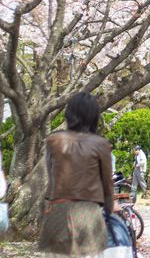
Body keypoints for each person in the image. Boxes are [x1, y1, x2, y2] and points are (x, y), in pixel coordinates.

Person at [38, 92, 115, 257]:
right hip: (88, 214)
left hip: (57, 211)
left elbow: (51, 176)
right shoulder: (100, 144)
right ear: (94, 116)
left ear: (69, 113)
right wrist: (109, 209)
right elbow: (107, 185)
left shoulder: (53, 141)